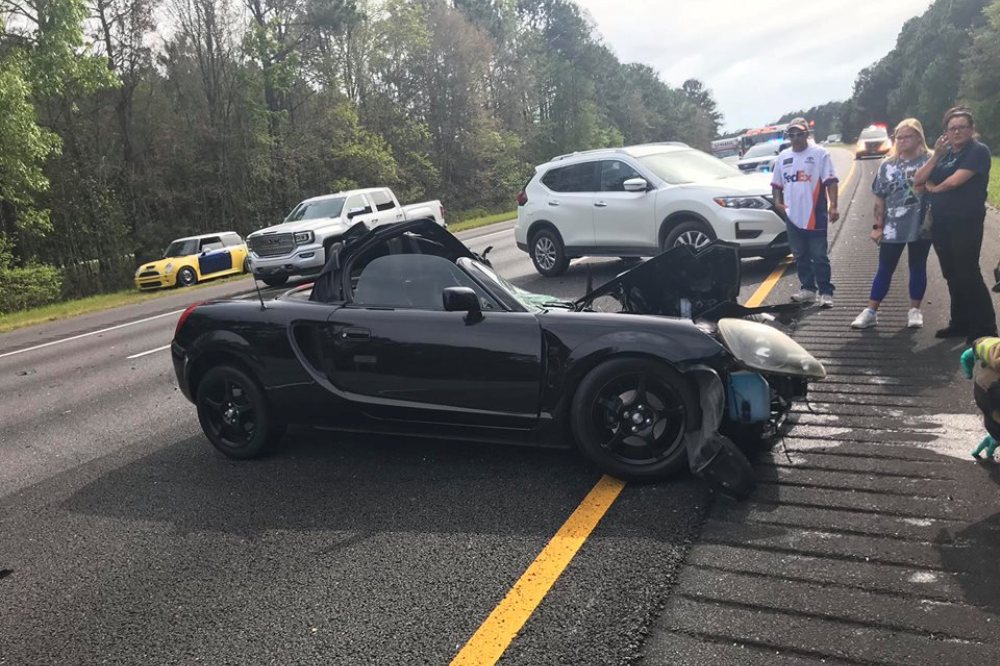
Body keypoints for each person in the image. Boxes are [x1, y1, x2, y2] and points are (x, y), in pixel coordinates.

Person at [914, 106, 995, 344]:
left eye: (961, 127)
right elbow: (919, 178)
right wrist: (936, 155)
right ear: (945, 133)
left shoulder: (977, 151)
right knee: (951, 273)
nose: (956, 132)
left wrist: (934, 189)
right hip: (941, 223)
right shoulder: (945, 154)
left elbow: (954, 182)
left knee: (968, 272)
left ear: (972, 130)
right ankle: (960, 322)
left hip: (966, 222)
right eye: (952, 128)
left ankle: (985, 328)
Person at [851, 118, 933, 329]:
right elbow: (880, 198)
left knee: (917, 266)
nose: (903, 141)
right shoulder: (887, 165)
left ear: (919, 138)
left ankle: (915, 310)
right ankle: (871, 311)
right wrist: (878, 226)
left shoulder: (930, 160)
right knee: (885, 268)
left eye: (908, 136)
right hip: (893, 226)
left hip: (921, 224)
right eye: (899, 137)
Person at [771, 117, 840, 307]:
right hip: (792, 215)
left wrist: (834, 205)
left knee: (819, 255)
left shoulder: (819, 154)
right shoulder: (783, 157)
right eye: (791, 135)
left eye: (799, 134)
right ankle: (808, 288)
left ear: (807, 134)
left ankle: (826, 291)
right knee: (799, 255)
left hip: (815, 213)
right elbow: (776, 184)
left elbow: (831, 180)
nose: (795, 138)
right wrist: (778, 202)